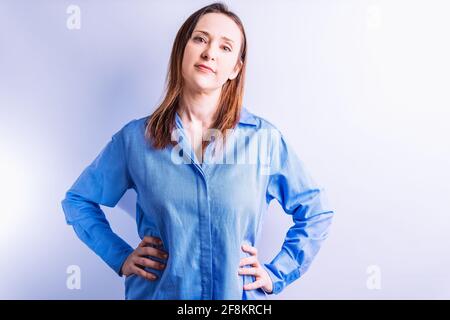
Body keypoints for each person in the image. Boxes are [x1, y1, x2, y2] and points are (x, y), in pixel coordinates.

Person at [61, 2, 334, 300]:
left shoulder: (263, 141)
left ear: (235, 69)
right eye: (200, 39)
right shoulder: (134, 140)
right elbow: (78, 201)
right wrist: (120, 256)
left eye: (226, 47)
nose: (210, 53)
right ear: (183, 49)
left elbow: (316, 212)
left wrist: (276, 273)